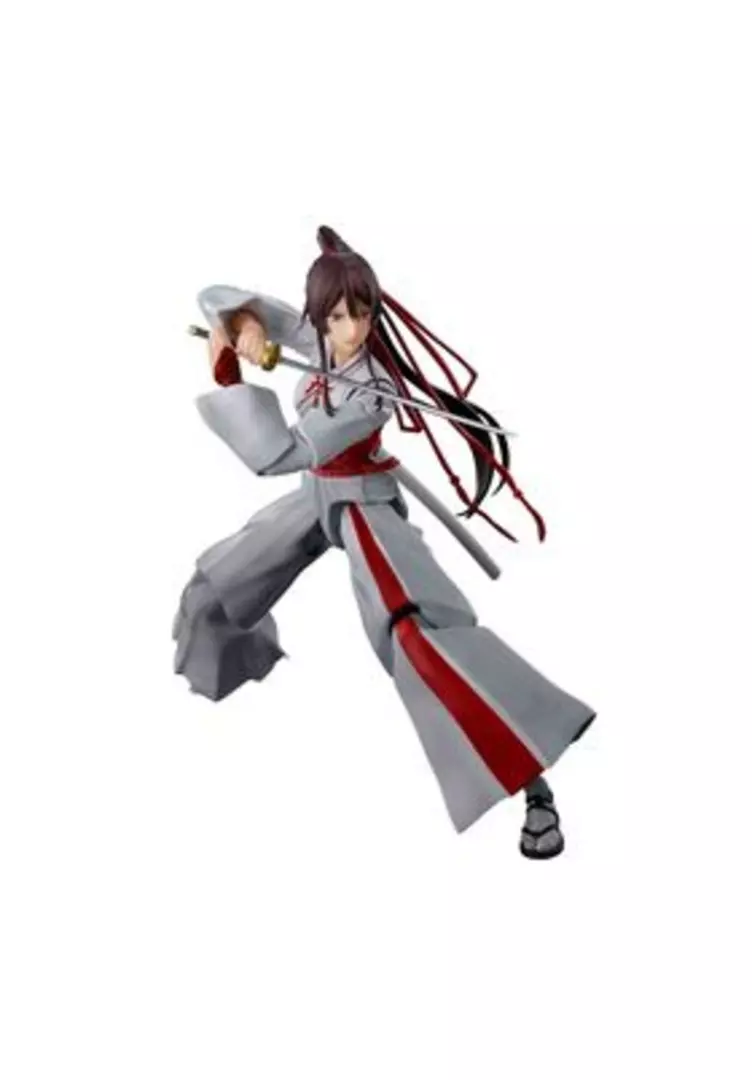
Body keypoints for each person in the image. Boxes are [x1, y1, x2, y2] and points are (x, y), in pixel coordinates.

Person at [173, 228, 596, 859]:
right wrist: (245, 324)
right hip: (315, 497)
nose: (351, 331)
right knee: (216, 586)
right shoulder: (318, 338)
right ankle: (239, 673)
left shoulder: (371, 389)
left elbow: (282, 453)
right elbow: (221, 299)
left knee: (419, 639)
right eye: (337, 317)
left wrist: (229, 370)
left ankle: (532, 784)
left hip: (361, 503)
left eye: (362, 314)